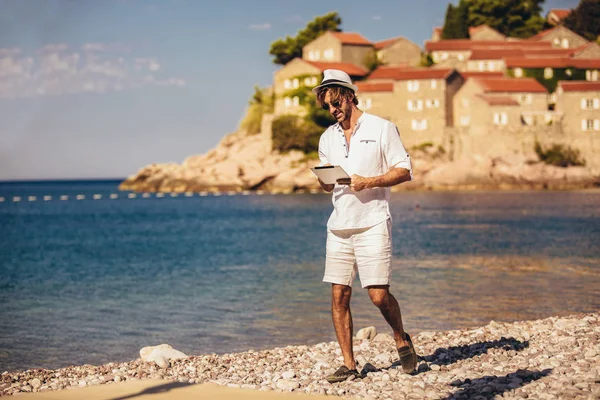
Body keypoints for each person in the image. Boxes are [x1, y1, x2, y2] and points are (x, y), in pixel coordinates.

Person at [311, 69, 417, 383]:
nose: (332, 109)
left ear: (349, 94)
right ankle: (349, 364)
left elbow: (404, 170)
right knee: (339, 295)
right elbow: (327, 185)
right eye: (327, 106)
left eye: (336, 101)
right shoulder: (327, 137)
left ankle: (400, 337)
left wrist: (370, 181)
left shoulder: (382, 128)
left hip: (373, 222)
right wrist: (325, 181)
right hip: (339, 226)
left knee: (377, 295)